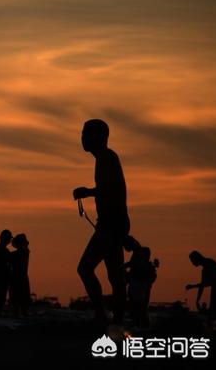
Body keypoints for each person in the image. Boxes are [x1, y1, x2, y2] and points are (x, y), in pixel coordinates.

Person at [73, 119, 130, 324]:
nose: (82, 138)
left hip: (111, 224)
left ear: (97, 137)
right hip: (112, 223)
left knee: (86, 268)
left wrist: (87, 192)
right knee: (115, 276)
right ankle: (116, 318)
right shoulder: (105, 158)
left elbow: (111, 189)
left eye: (85, 133)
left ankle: (101, 314)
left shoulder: (107, 158)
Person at [125, 246, 157, 328]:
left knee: (140, 308)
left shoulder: (146, 266)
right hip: (139, 288)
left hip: (141, 289)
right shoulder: (143, 265)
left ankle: (141, 325)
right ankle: (141, 325)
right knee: (139, 308)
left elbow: (151, 278)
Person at [186, 251, 216, 321]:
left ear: (197, 259)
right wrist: (197, 299)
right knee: (213, 311)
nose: (192, 263)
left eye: (192, 261)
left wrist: (192, 286)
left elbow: (212, 282)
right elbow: (203, 285)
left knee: (214, 311)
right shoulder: (204, 269)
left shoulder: (209, 264)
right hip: (215, 288)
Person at [10, 233, 31, 316]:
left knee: (18, 302)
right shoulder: (24, 252)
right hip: (21, 279)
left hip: (17, 279)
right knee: (21, 302)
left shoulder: (20, 253)